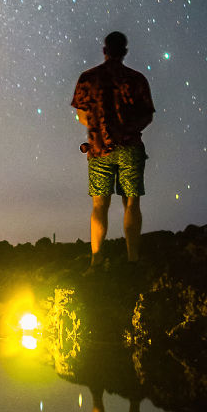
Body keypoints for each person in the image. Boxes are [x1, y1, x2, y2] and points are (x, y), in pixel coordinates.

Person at [71, 31, 154, 270]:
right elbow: (146, 116)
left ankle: (97, 259)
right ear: (125, 52)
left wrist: (99, 128)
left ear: (104, 50)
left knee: (99, 205)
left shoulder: (88, 78)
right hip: (130, 147)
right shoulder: (137, 79)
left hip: (98, 150)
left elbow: (82, 115)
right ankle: (133, 258)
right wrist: (126, 130)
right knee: (132, 202)